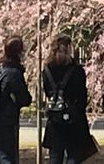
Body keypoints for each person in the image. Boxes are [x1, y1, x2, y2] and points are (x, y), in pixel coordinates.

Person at [42, 35, 92, 164]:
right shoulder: (76, 70)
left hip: (55, 117)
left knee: (55, 154)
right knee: (74, 154)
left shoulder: (47, 70)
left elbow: (48, 91)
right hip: (74, 117)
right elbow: (82, 95)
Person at [0, 35, 33, 164]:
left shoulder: (0, 69)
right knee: (6, 157)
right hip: (6, 120)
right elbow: (24, 98)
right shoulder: (13, 73)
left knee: (0, 155)